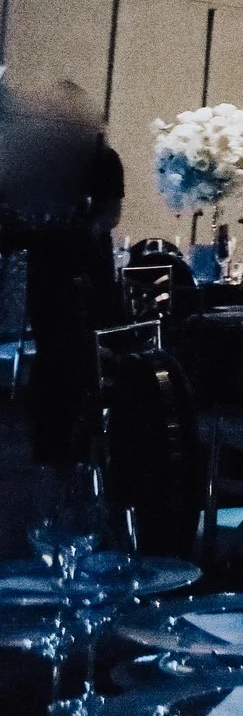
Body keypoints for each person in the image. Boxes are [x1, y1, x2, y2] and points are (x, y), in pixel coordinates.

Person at [0, 75, 126, 465]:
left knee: (72, 355)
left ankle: (68, 439)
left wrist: (80, 230)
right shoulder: (29, 161)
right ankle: (49, 437)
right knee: (54, 354)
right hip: (39, 265)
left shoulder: (103, 159)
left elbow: (107, 212)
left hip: (79, 268)